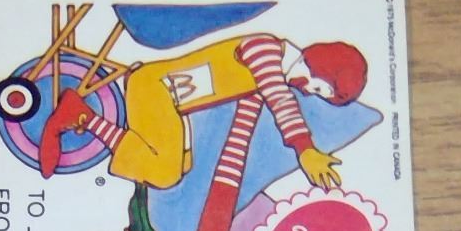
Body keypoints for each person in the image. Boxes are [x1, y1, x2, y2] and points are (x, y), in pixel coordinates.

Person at [39, 33, 367, 188]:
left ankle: (81, 115)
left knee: (180, 166)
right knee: (164, 173)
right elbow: (279, 98)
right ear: (321, 65)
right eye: (319, 87)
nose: (308, 91)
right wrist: (305, 150)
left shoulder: (274, 69)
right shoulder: (267, 50)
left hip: (170, 102)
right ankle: (80, 116)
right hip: (155, 89)